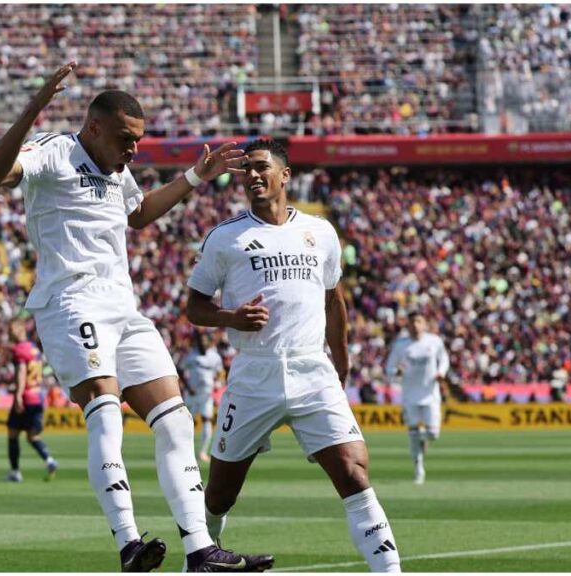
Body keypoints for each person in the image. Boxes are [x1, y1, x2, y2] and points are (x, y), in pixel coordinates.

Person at [0, 61, 273, 572]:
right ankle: (129, 543)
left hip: (124, 307)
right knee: (106, 408)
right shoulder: (54, 152)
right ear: (93, 128)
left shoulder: (117, 169)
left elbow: (138, 215)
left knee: (177, 421)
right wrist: (34, 106)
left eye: (137, 140)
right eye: (125, 139)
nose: (133, 149)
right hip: (70, 302)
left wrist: (193, 177)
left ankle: (201, 551)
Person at [186, 139, 402, 572]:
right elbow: (194, 307)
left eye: (261, 167)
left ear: (285, 175)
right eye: (245, 169)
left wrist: (340, 361)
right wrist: (230, 317)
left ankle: (391, 570)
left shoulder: (320, 231)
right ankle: (202, 559)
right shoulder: (226, 238)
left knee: (354, 473)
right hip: (254, 372)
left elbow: (333, 300)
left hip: (311, 368)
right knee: (221, 493)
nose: (251, 175)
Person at [385, 311, 450, 485]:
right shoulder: (401, 345)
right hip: (409, 396)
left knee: (433, 434)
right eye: (412, 322)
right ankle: (419, 470)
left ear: (425, 324)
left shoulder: (434, 341)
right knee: (413, 433)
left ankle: (422, 439)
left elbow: (444, 359)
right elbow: (389, 368)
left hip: (430, 394)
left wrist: (441, 372)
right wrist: (396, 372)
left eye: (419, 321)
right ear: (408, 325)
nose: (415, 325)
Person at [3, 319, 59, 482]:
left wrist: (18, 395)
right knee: (32, 436)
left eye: (10, 332)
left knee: (13, 434)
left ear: (17, 332)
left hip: (26, 397)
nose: (9, 335)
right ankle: (49, 460)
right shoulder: (34, 349)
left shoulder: (19, 350)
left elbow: (21, 373)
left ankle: (15, 472)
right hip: (38, 397)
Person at [180, 332, 223, 463]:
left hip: (207, 394)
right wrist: (187, 387)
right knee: (187, 423)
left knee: (207, 420)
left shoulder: (215, 357)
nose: (203, 344)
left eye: (205, 341)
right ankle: (184, 451)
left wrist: (216, 383)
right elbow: (180, 370)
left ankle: (203, 452)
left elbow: (219, 372)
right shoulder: (190, 355)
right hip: (192, 394)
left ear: (210, 343)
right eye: (201, 342)